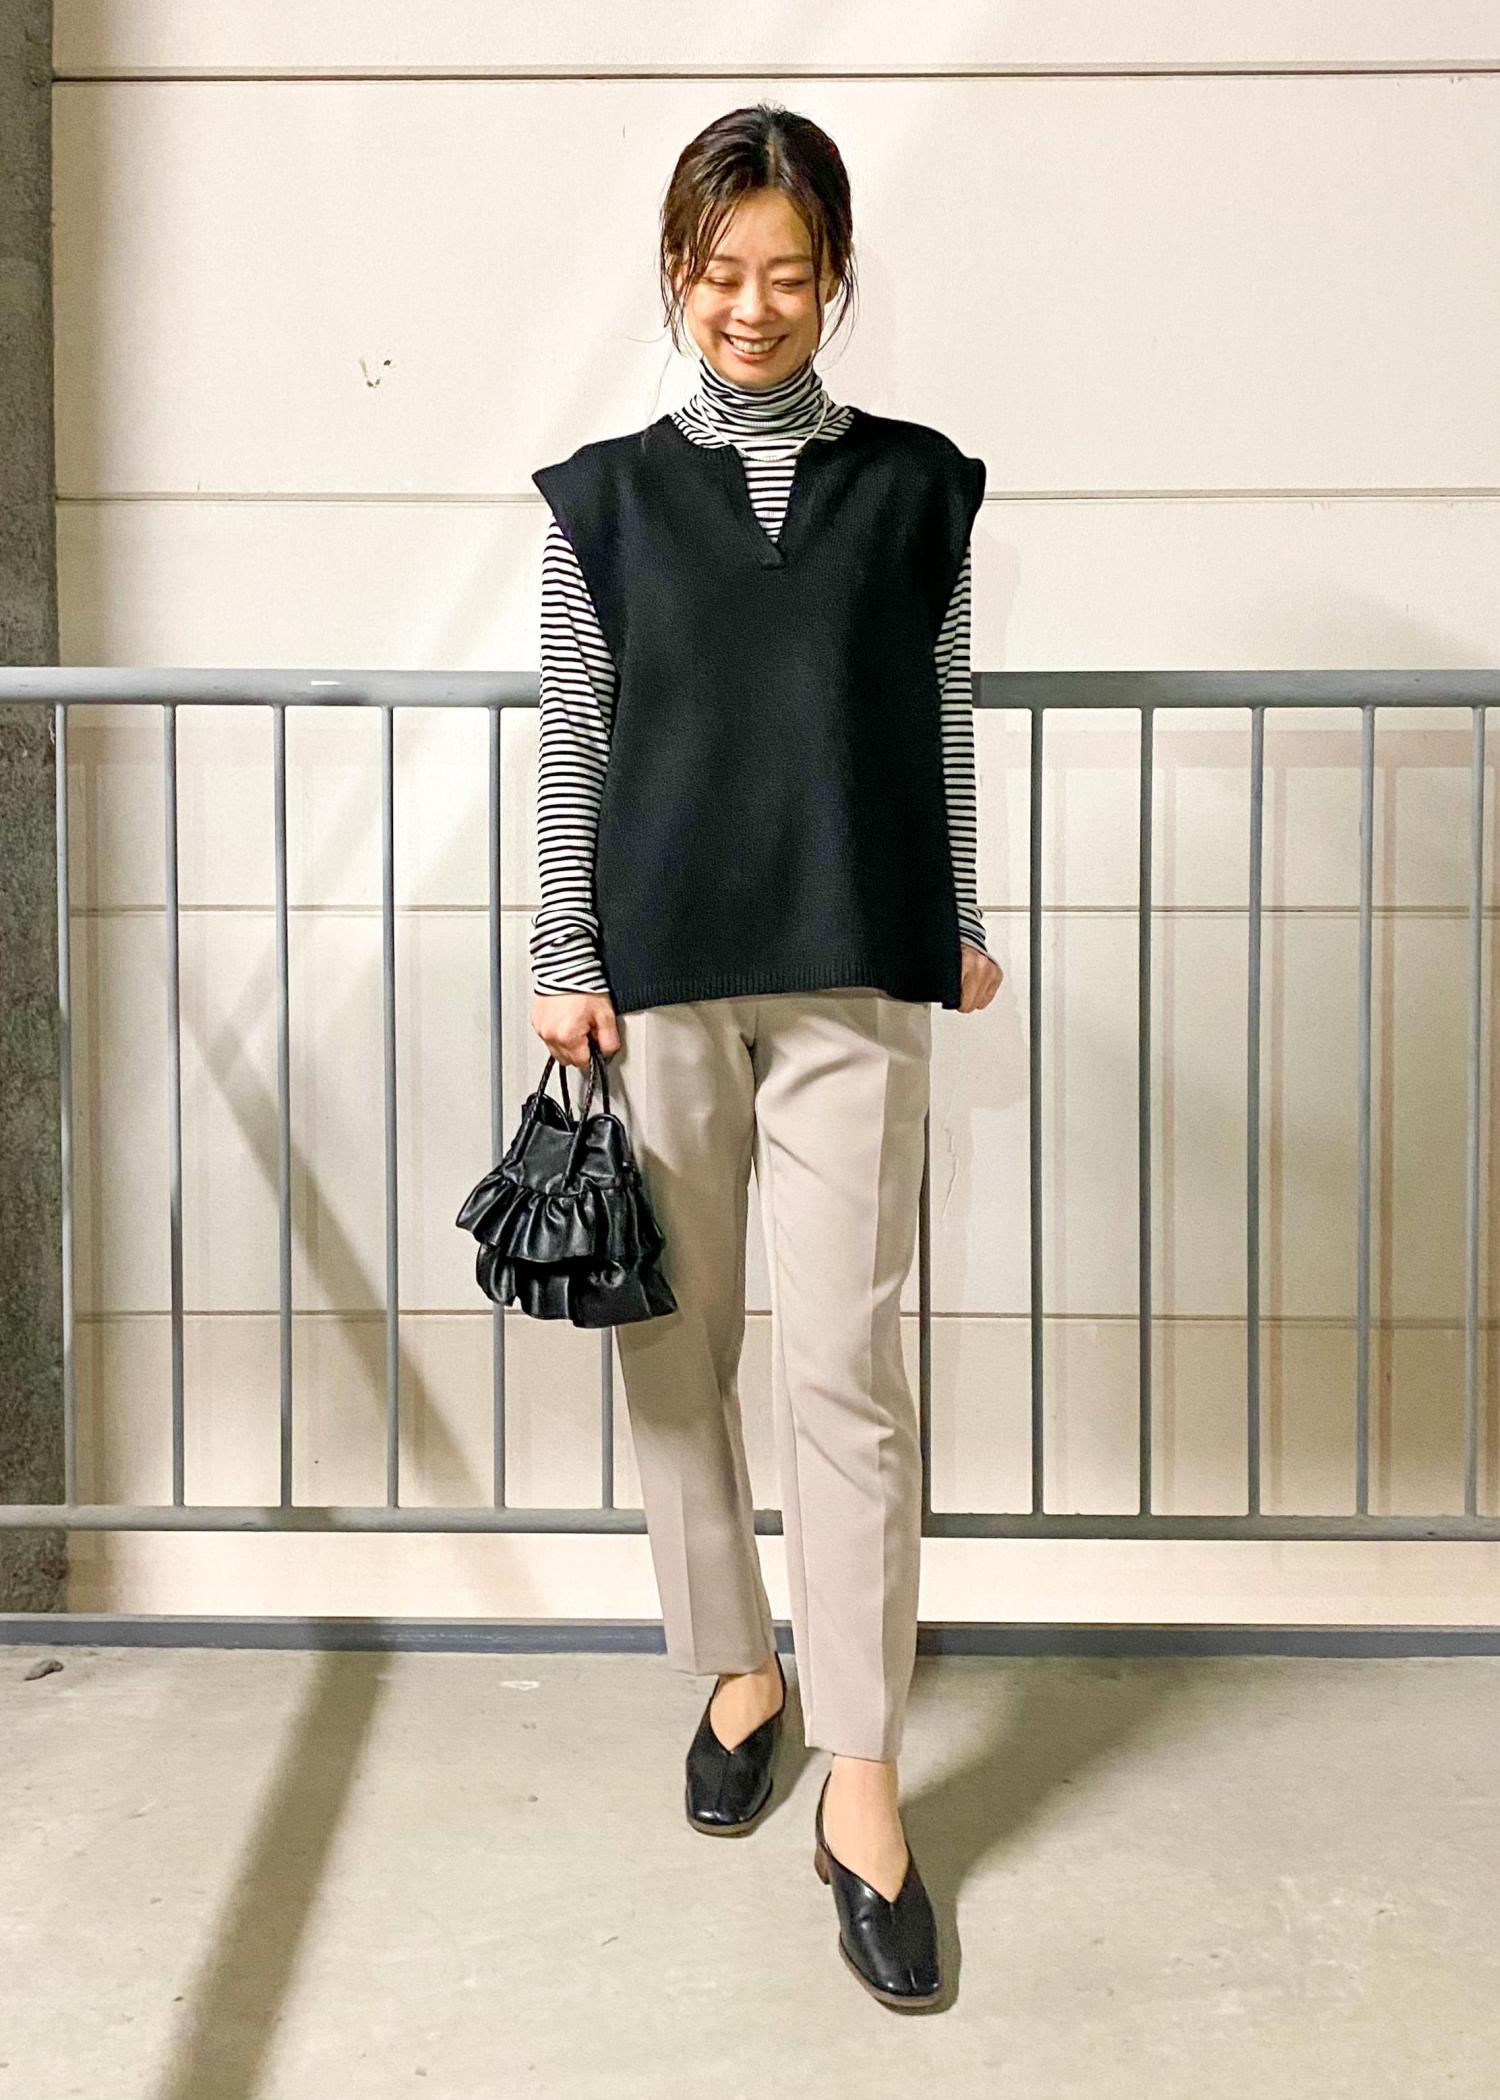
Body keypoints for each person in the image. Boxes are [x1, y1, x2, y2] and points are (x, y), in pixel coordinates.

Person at [527, 102, 1002, 2012]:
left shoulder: (916, 490)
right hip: (659, 979)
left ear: (835, 279)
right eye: (720, 272)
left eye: (788, 273)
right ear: (676, 273)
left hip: (855, 972)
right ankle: (739, 1666)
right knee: (675, 1346)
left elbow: (940, 720)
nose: (751, 304)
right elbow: (577, 735)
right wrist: (563, 953)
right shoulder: (602, 504)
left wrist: (957, 912)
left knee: (847, 1374)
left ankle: (862, 1777)